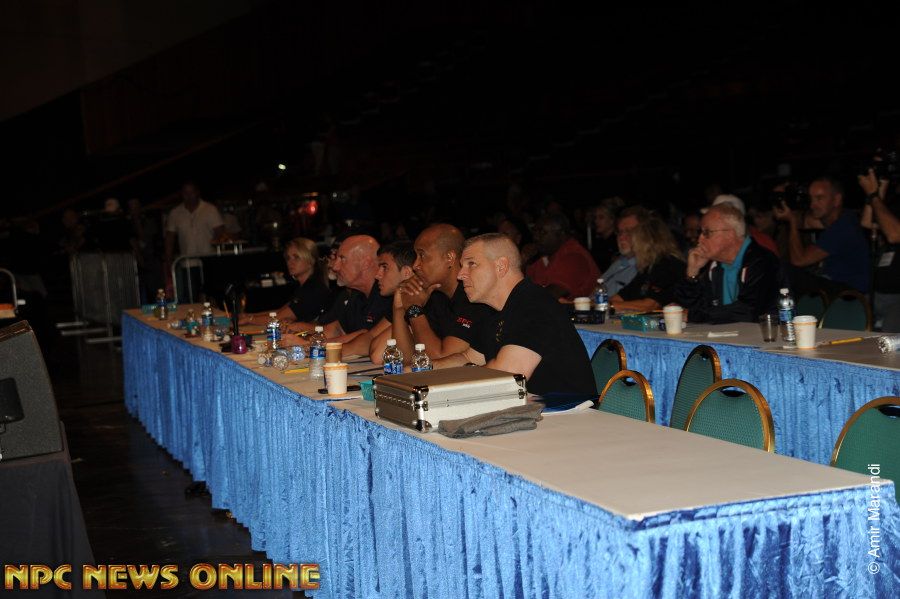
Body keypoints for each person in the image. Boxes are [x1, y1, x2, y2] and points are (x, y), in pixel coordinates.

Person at [435, 233, 596, 397]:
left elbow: (507, 379)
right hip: (529, 406)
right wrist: (424, 369)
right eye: (462, 266)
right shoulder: (492, 310)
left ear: (501, 266)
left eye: (471, 264)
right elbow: (468, 357)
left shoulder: (534, 305)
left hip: (567, 409)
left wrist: (446, 382)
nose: (460, 274)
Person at [390, 224, 495, 363]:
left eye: (422, 255)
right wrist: (398, 308)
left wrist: (414, 309)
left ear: (449, 258)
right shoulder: (435, 296)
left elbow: (441, 359)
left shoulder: (474, 297)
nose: (415, 265)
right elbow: (404, 359)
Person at [675, 204, 781, 323]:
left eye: (706, 232)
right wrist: (692, 273)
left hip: (765, 333)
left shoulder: (762, 261)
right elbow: (691, 307)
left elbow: (748, 311)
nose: (700, 239)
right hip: (728, 333)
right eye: (700, 232)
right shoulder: (713, 266)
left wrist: (693, 315)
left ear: (730, 234)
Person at [282, 235, 390, 344]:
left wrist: (309, 344)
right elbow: (337, 330)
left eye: (342, 259)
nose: (335, 267)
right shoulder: (357, 294)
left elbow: (367, 338)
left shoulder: (386, 294)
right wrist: (299, 333)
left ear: (365, 263)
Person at [774, 176, 870, 295]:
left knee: (786, 272)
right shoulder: (841, 217)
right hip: (836, 285)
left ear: (836, 200)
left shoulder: (844, 227)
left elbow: (799, 260)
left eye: (819, 198)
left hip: (850, 293)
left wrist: (792, 221)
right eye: (811, 198)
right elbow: (804, 221)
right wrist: (785, 199)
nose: (813, 204)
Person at [240, 237, 332, 326]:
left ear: (311, 261)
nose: (290, 262)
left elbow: (278, 318)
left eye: (296, 257)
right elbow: (278, 312)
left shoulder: (313, 289)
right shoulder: (305, 286)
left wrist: (249, 319)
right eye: (288, 258)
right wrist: (248, 316)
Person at [164, 182, 226, 301]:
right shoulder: (175, 213)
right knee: (191, 297)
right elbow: (169, 238)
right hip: (187, 263)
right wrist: (168, 259)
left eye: (191, 192)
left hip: (209, 262)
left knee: (212, 296)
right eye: (185, 193)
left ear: (197, 192)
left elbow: (221, 234)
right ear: (182, 194)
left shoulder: (210, 209)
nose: (189, 196)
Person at [610, 216, 684, 313]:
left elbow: (650, 305)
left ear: (648, 242)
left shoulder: (668, 265)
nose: (633, 246)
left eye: (635, 241)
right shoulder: (647, 268)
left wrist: (609, 306)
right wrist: (606, 304)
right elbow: (620, 297)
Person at [859, 167, 900, 332]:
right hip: (880, 293)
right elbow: (867, 221)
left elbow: (894, 234)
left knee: (889, 332)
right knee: (853, 314)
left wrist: (873, 195)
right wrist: (879, 188)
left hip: (896, 297)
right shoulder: (895, 200)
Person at [526, 213, 601, 299]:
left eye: (542, 232)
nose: (536, 237)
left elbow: (549, 296)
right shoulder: (545, 256)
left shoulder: (574, 257)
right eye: (534, 232)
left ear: (561, 234)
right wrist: (522, 261)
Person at [600, 206, 650, 297]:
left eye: (629, 232)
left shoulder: (647, 268)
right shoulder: (619, 262)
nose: (621, 237)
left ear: (645, 233)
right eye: (620, 232)